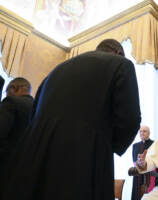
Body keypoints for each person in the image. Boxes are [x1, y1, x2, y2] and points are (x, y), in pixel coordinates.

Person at [2, 39, 141, 200]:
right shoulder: (121, 64)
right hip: (84, 164)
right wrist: (109, 144)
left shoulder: (55, 71)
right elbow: (130, 119)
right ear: (118, 53)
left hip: (37, 163)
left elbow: (34, 117)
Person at [0, 77, 33, 193]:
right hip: (23, 175)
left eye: (6, 92)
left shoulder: (11, 102)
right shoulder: (38, 109)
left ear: (13, 88)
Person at [132, 125, 158, 200]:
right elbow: (134, 160)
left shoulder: (154, 144)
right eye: (140, 131)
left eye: (144, 131)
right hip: (137, 175)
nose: (142, 133)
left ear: (149, 133)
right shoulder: (135, 145)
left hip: (150, 175)